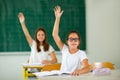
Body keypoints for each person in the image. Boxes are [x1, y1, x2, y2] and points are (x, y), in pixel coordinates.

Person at [52, 6, 90, 76]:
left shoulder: (81, 53)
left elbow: (87, 68)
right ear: (67, 41)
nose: (73, 41)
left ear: (79, 42)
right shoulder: (64, 49)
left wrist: (79, 71)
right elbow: (54, 35)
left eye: (76, 39)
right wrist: (57, 18)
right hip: (62, 77)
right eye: (71, 39)